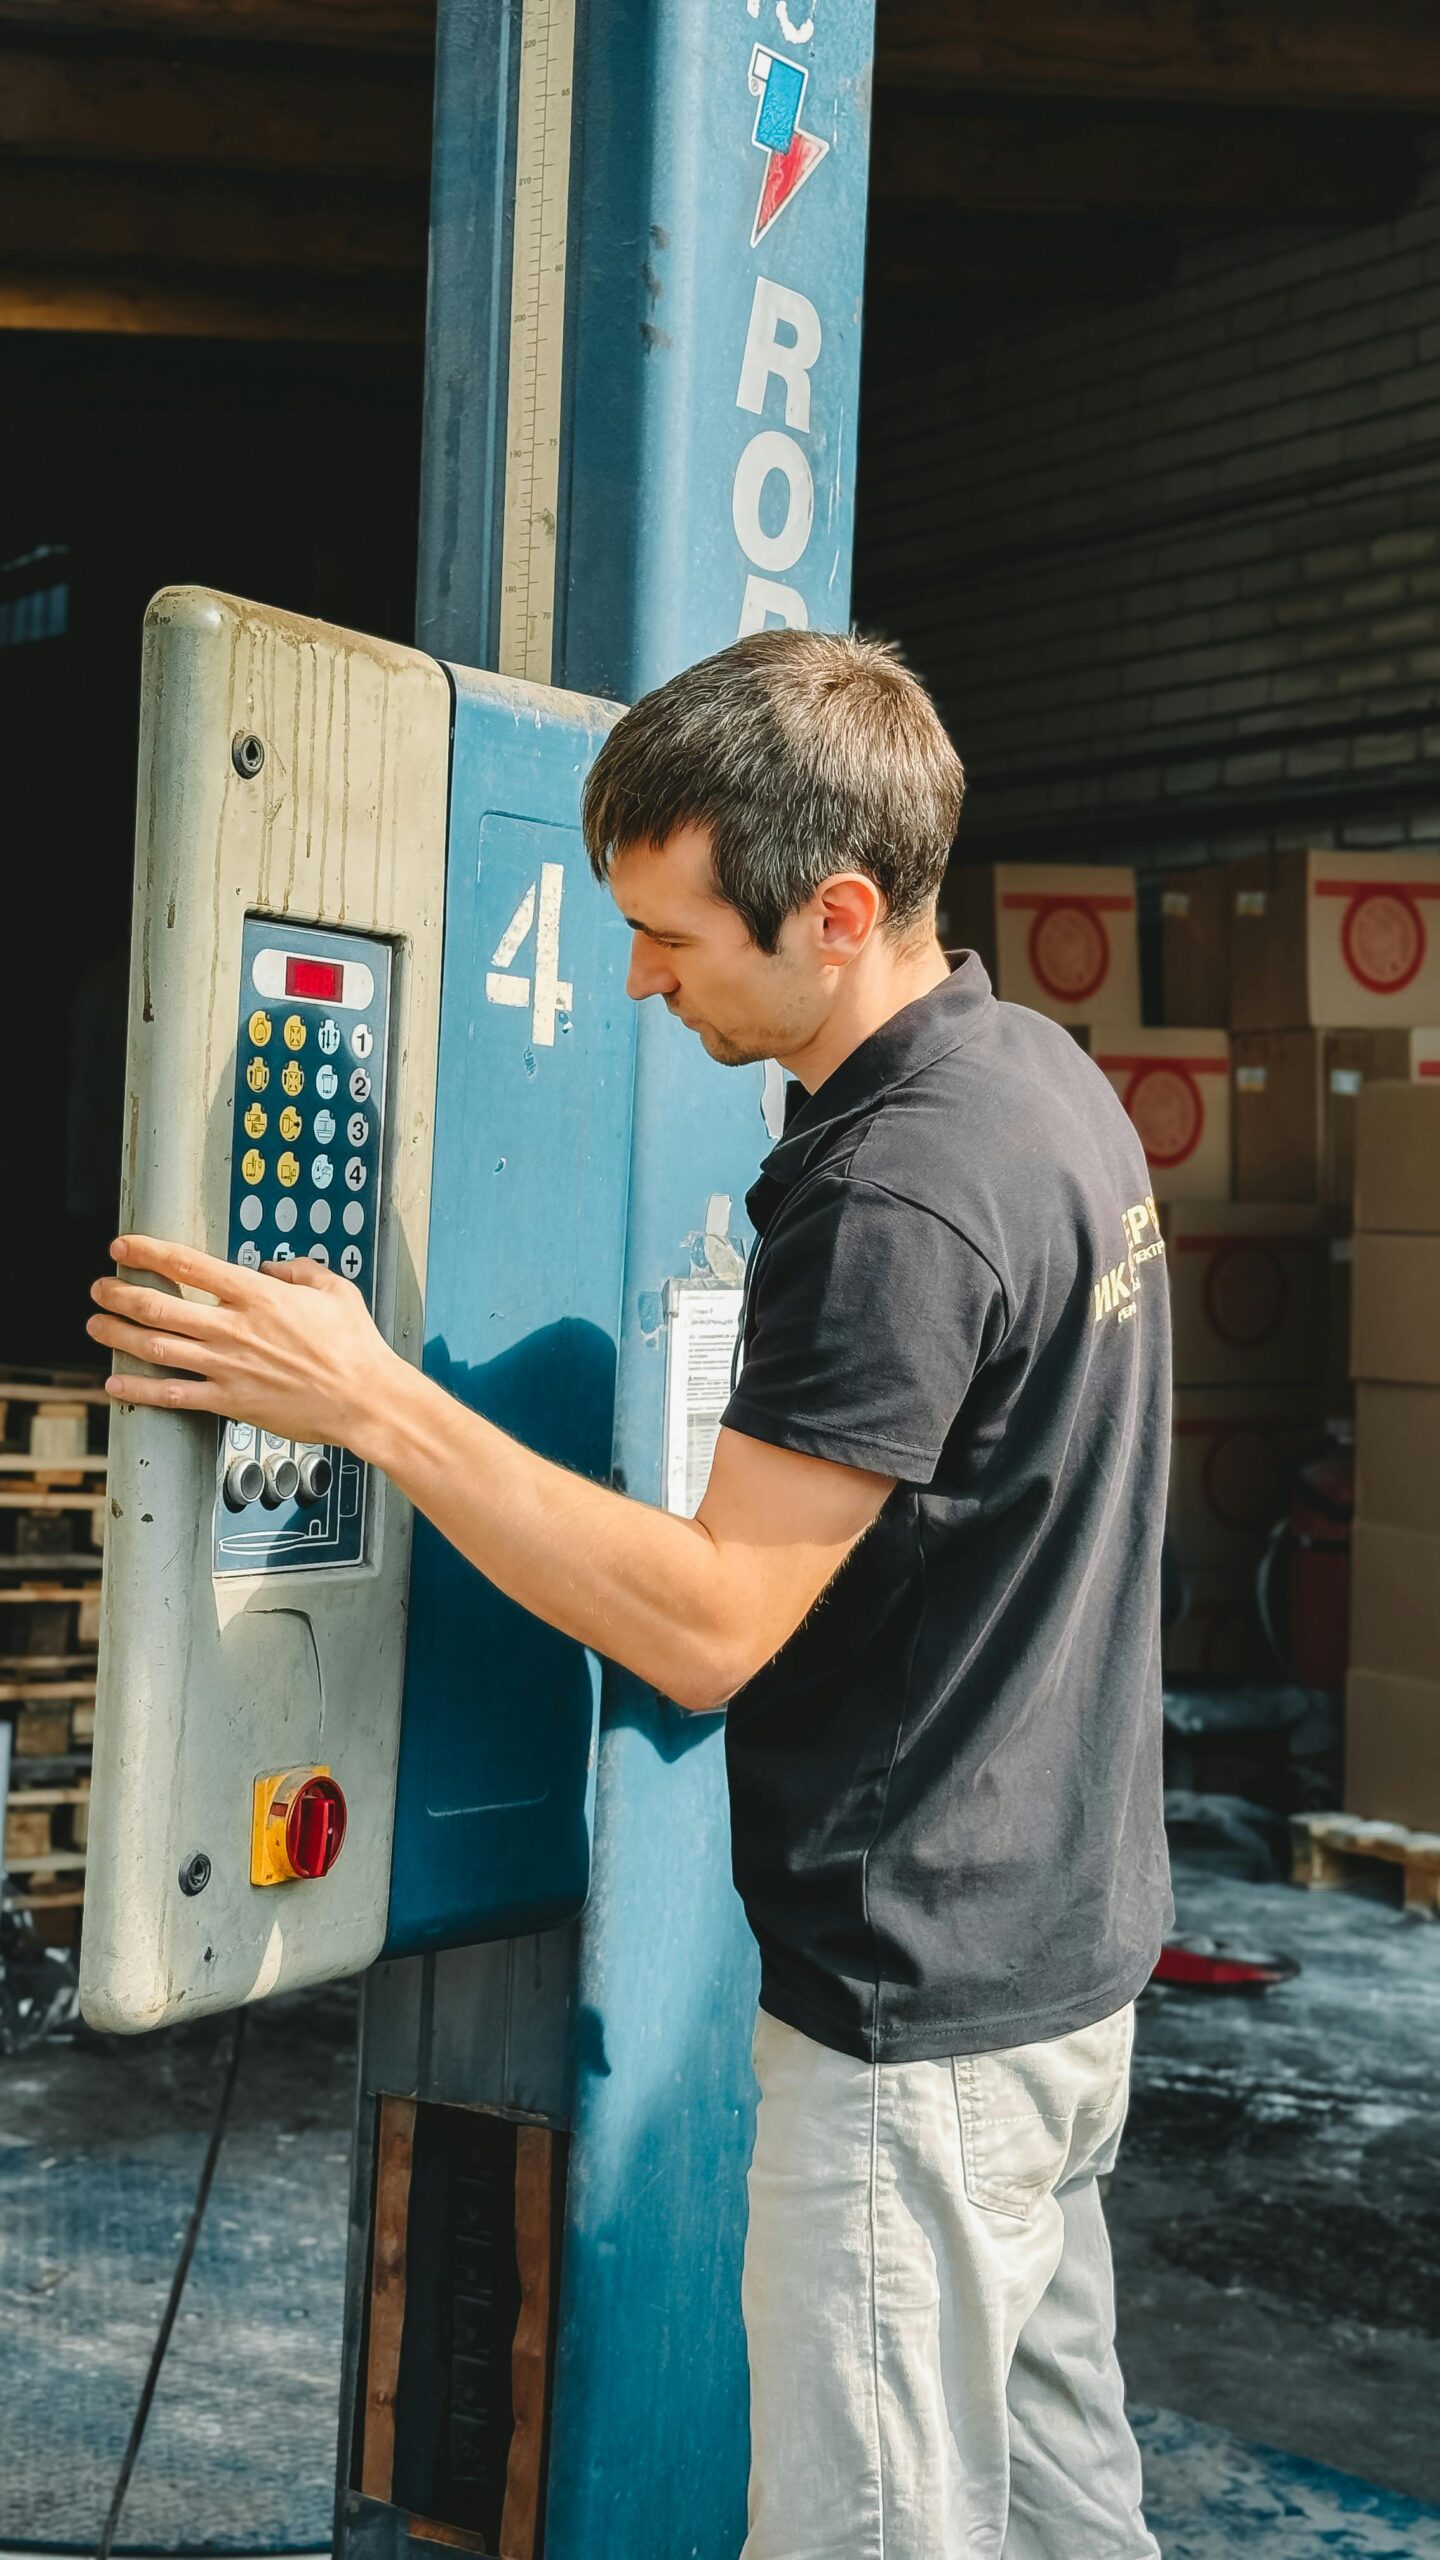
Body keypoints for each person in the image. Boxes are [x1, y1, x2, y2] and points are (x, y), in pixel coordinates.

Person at [87, 630, 1171, 2560]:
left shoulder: (898, 1196)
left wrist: (369, 1399)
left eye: (673, 938)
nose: (637, 982)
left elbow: (705, 1625)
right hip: (1055, 1973)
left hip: (918, 2030)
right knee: (1062, 2523)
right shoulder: (1042, 1083)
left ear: (838, 913)